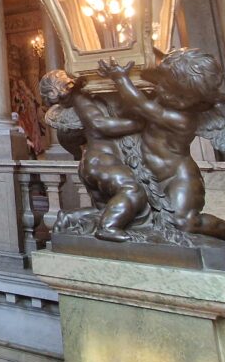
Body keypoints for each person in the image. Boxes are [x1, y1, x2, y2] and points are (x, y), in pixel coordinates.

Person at [100, 51, 225, 255]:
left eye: (173, 92)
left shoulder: (181, 119)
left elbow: (140, 105)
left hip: (179, 177)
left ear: (195, 100)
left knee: (185, 221)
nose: (162, 91)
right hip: (151, 175)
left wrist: (120, 78)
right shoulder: (167, 99)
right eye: (162, 84)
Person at [39, 71, 147, 241]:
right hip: (102, 161)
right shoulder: (81, 99)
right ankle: (108, 228)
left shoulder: (80, 99)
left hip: (91, 162)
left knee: (105, 209)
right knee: (133, 191)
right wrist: (139, 124)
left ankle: (68, 218)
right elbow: (99, 124)